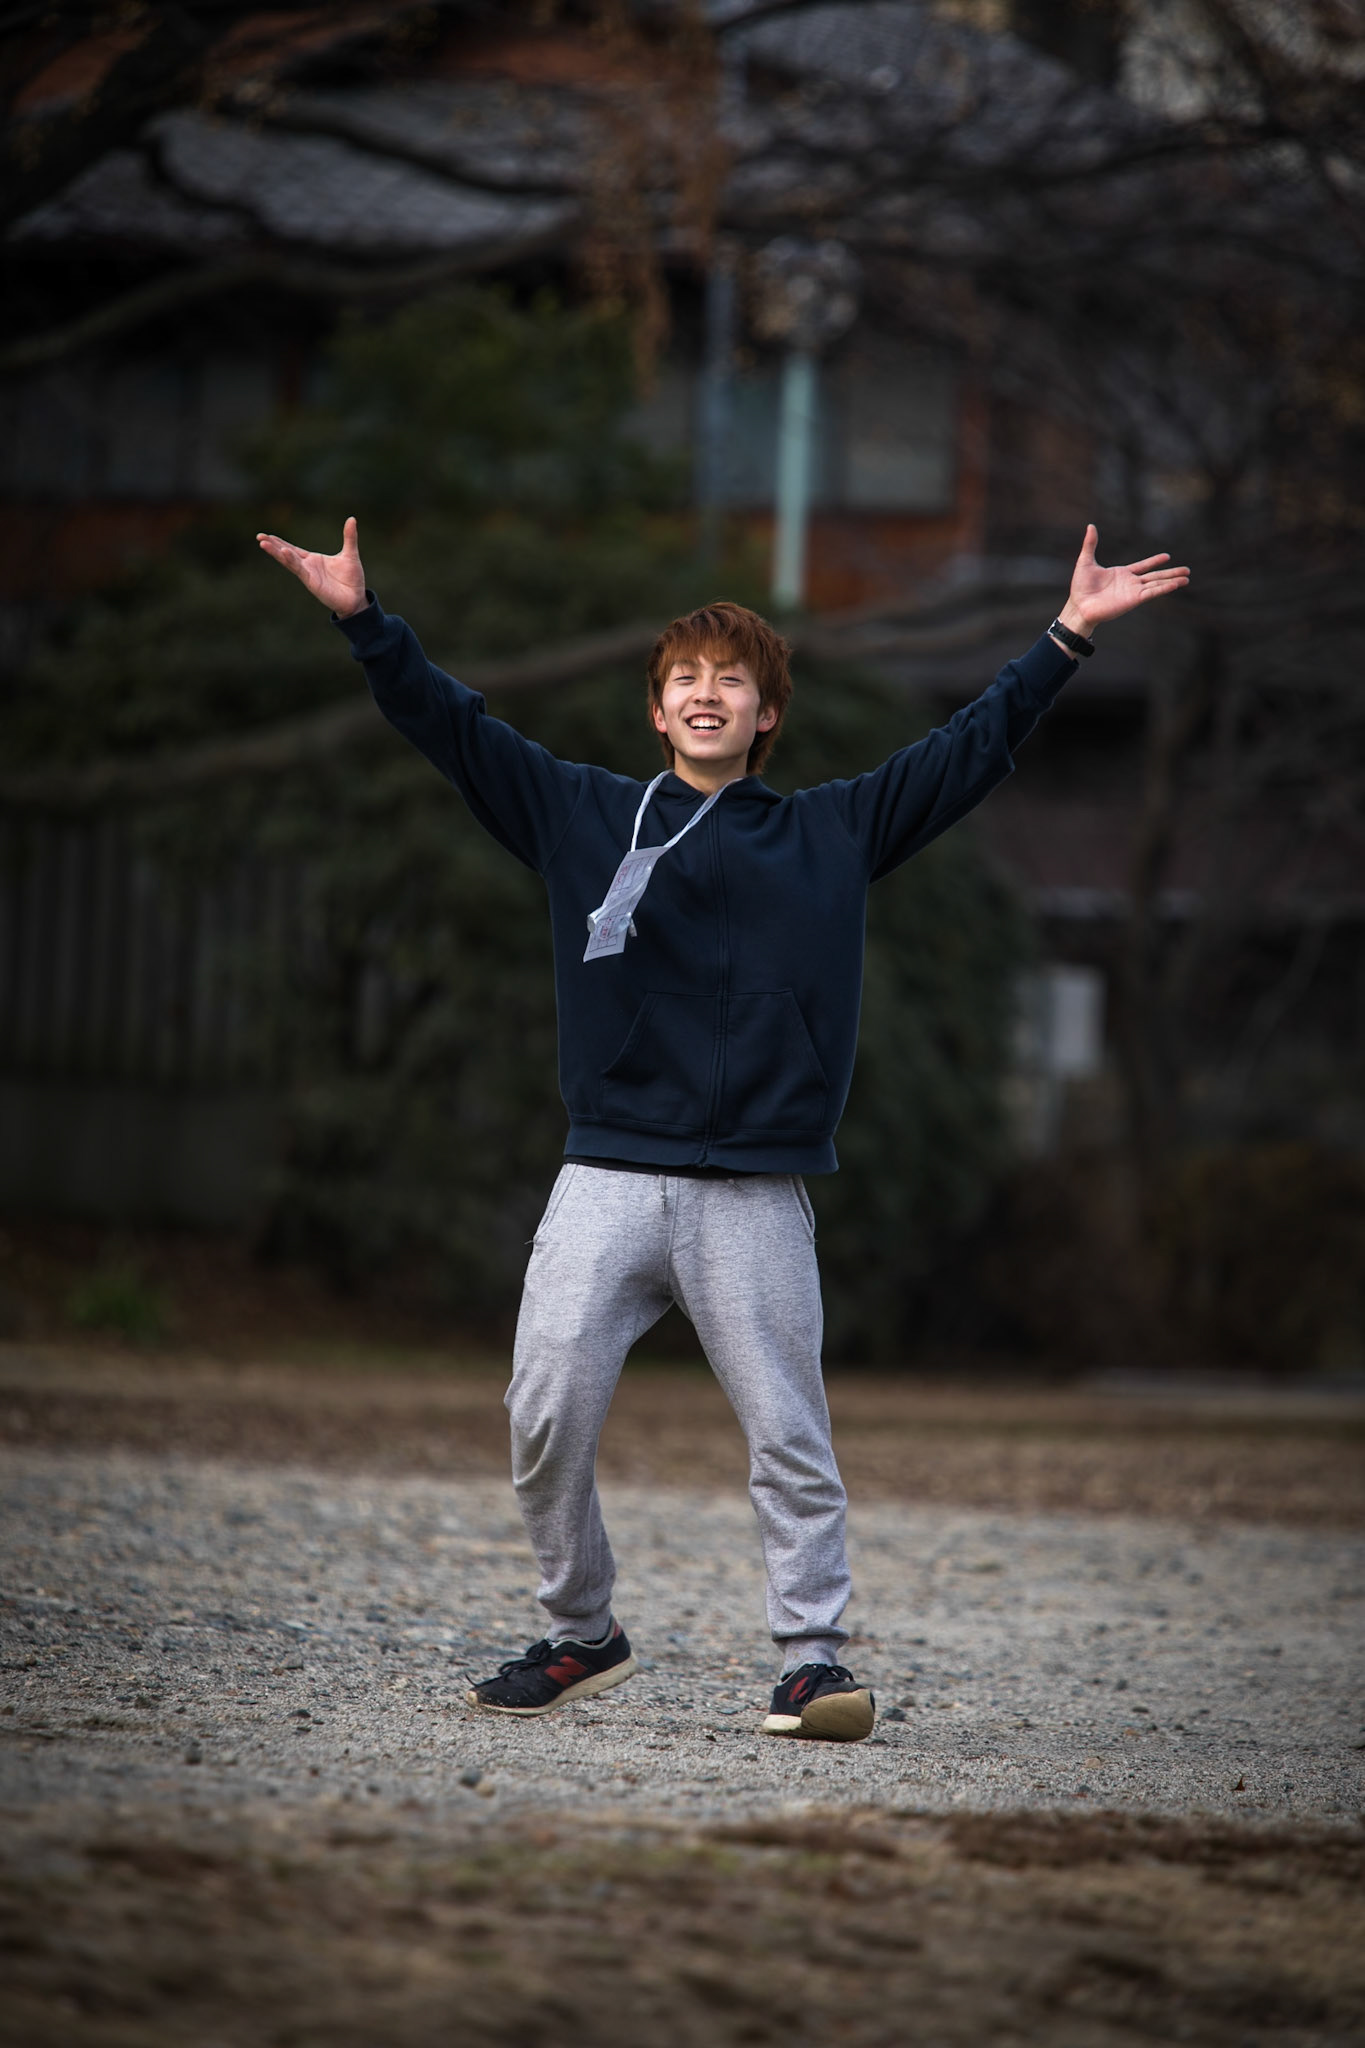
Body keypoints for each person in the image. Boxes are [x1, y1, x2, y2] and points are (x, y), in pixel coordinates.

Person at [259, 516, 1189, 1741]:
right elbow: (454, 729)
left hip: (754, 1188)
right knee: (542, 1409)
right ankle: (582, 1632)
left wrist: (1066, 634)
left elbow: (969, 749)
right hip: (605, 1172)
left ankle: (812, 1664)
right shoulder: (579, 813)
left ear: (765, 717)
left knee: (789, 1436)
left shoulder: (834, 832)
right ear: (657, 709)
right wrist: (365, 623)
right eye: (685, 677)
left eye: (732, 679)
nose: (707, 692)